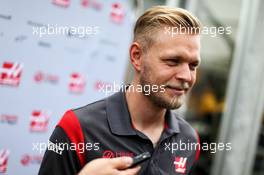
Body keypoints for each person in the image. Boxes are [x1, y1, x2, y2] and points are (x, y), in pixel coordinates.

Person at [38, 5, 202, 175]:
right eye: (173, 61)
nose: (186, 76)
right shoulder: (77, 128)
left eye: (193, 65)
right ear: (137, 56)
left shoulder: (189, 140)